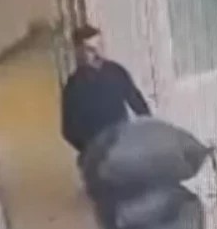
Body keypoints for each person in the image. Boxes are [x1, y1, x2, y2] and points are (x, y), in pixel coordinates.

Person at [61, 24, 152, 155]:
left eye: (100, 46)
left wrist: (146, 133)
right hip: (96, 154)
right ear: (78, 51)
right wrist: (90, 149)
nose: (97, 53)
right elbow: (69, 130)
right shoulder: (73, 87)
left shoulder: (116, 72)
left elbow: (138, 104)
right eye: (90, 49)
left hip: (123, 146)